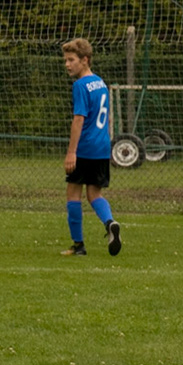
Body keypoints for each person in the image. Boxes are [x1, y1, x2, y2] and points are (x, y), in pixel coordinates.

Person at [60, 38, 122, 257]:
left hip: (84, 147)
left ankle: (78, 246)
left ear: (84, 60)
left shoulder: (80, 85)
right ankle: (110, 222)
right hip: (102, 147)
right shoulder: (100, 82)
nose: (67, 65)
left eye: (71, 60)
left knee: (73, 194)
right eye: (65, 60)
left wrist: (71, 152)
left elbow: (79, 119)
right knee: (94, 193)